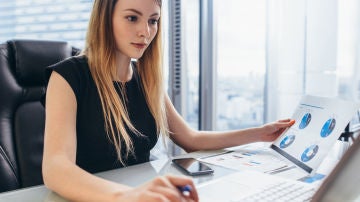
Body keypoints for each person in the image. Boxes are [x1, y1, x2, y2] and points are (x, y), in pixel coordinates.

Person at [42, 0, 295, 201]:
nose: (145, 31)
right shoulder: (68, 77)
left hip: (141, 195)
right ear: (105, 19)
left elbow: (191, 139)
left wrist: (260, 134)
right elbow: (56, 168)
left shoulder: (146, 78)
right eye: (132, 18)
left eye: (153, 20)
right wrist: (127, 196)